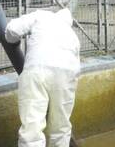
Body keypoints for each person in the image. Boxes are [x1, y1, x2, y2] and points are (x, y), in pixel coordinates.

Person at [5, 8, 80, 147]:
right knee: (61, 127)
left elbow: (12, 29)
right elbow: (76, 69)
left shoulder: (41, 15)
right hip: (66, 75)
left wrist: (13, 42)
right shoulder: (73, 36)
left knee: (32, 128)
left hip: (36, 70)